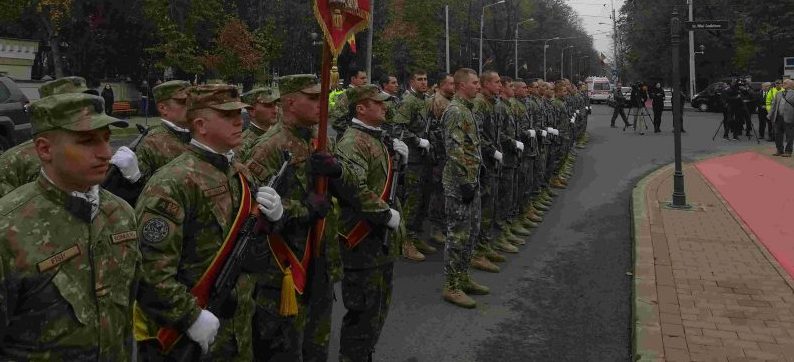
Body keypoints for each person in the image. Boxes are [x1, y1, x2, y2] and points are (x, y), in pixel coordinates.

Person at [134, 84, 282, 360]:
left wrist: (272, 221)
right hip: (186, 337)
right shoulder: (173, 182)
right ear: (200, 124)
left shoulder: (239, 174)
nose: (240, 121)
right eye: (228, 116)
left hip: (236, 330)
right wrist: (190, 317)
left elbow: (251, 251)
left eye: (239, 113)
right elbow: (149, 271)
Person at [0, 93, 138, 360]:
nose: (105, 153)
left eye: (107, 139)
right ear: (44, 149)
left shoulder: (120, 213)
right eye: (87, 142)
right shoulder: (8, 228)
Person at [242, 74, 351, 361]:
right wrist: (302, 208)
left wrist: (336, 172)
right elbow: (253, 207)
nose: (321, 104)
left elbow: (347, 185)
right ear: (290, 101)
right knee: (283, 349)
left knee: (317, 346)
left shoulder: (321, 137)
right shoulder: (270, 146)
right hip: (284, 269)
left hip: (320, 260)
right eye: (313, 98)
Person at [333, 84, 408, 361]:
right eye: (377, 103)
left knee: (377, 310)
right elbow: (354, 189)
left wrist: (403, 161)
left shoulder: (375, 138)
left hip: (378, 242)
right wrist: (384, 213)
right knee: (363, 313)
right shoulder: (353, 142)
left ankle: (364, 355)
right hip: (362, 241)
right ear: (360, 108)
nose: (384, 106)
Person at [440, 68, 490, 309]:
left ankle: (463, 277)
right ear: (461, 86)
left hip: (471, 180)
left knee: (471, 233)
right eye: (475, 83)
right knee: (458, 236)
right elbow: (454, 150)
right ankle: (451, 286)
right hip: (460, 185)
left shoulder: (467, 109)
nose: (478, 86)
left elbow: (471, 147)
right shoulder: (456, 111)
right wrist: (464, 182)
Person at [102, 80, 192, 206]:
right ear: (163, 108)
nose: (189, 106)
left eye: (191, 101)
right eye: (182, 102)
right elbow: (143, 195)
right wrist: (136, 179)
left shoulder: (199, 134)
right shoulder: (151, 143)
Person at [0, 76, 91, 197]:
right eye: (72, 107)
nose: (85, 112)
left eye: (88, 104)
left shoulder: (99, 150)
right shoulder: (15, 160)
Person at [393, 69, 437, 261]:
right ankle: (406, 242)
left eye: (426, 79)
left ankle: (415, 235)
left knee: (423, 199)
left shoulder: (425, 100)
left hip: (424, 157)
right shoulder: (408, 101)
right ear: (412, 81)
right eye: (420, 79)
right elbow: (398, 128)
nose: (423, 82)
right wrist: (417, 140)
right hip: (412, 159)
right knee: (412, 200)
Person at [238, 86, 281, 160]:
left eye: (276, 105)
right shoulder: (243, 145)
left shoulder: (278, 135)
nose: (275, 111)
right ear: (252, 111)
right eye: (268, 106)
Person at [330, 68, 369, 135]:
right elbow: (336, 120)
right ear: (353, 79)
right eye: (362, 78)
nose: (365, 81)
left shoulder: (364, 95)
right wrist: (351, 133)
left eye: (366, 78)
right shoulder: (345, 96)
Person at [769, 79, 794, 156]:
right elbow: (773, 105)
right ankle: (779, 150)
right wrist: (770, 114)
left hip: (789, 117)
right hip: (778, 117)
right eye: (783, 83)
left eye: (785, 83)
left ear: (791, 85)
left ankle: (788, 151)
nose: (783, 84)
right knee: (777, 135)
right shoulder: (779, 93)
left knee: (789, 135)